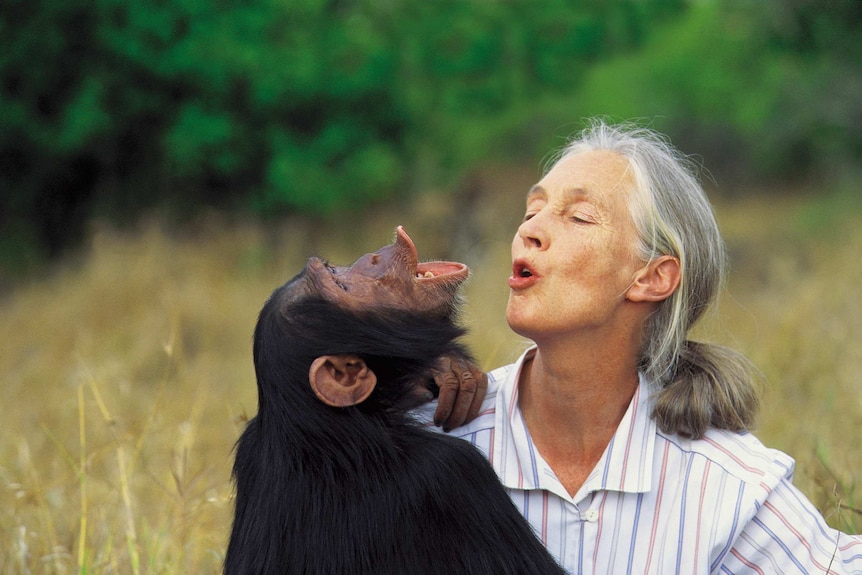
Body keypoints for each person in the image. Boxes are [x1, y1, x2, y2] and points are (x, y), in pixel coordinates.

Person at [424, 119, 862, 573]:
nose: (529, 231)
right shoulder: (432, 436)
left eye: (578, 217)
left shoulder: (729, 486)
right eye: (532, 211)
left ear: (652, 277)